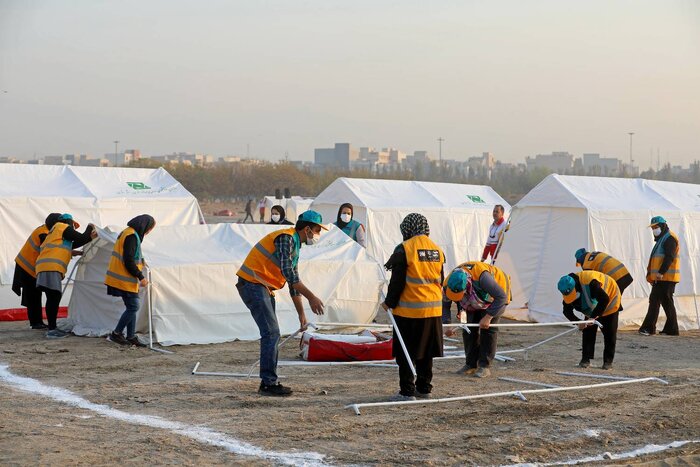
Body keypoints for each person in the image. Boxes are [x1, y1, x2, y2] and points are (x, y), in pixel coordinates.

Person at [236, 210, 327, 396]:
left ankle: (269, 381)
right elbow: (290, 276)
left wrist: (301, 314)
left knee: (272, 333)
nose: (318, 235)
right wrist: (312, 297)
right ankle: (268, 383)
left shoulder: (294, 243)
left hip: (261, 286)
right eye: (317, 230)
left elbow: (294, 282)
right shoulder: (286, 238)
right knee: (271, 333)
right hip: (254, 284)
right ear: (308, 229)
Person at [381, 213, 444, 401]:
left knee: (406, 351)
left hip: (409, 311)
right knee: (426, 351)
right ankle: (424, 388)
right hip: (433, 310)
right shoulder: (437, 250)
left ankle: (407, 391)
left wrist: (388, 303)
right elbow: (440, 279)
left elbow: (397, 281)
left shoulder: (404, 249)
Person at [444, 261, 511, 378]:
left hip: (495, 297)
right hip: (472, 299)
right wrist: (447, 325)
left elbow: (501, 297)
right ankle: (470, 364)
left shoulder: (482, 278)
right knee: (468, 328)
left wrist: (488, 317)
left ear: (466, 286)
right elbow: (445, 305)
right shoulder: (448, 283)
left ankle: (484, 366)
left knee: (488, 329)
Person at [35, 213, 96, 338]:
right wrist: (90, 227)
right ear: (69, 222)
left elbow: (71, 244)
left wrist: (85, 242)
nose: (73, 228)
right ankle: (52, 330)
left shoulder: (54, 232)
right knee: (54, 297)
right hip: (51, 267)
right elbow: (81, 238)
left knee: (52, 296)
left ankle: (52, 327)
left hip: (43, 267)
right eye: (73, 225)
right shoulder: (62, 227)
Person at [105, 215, 156, 347]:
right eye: (149, 229)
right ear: (144, 226)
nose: (149, 232)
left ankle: (131, 336)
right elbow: (128, 260)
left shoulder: (128, 233)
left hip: (124, 278)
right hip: (123, 278)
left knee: (131, 307)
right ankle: (116, 334)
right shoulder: (131, 236)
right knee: (133, 307)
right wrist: (141, 276)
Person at [558, 270, 621, 369]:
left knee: (610, 332)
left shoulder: (591, 283)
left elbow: (605, 299)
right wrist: (579, 322)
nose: (571, 298)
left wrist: (593, 317)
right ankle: (585, 359)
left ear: (575, 287)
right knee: (588, 331)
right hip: (593, 304)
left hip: (611, 298)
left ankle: (608, 362)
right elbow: (567, 311)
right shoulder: (567, 288)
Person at [12, 213, 62, 329]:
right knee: (33, 295)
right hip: (26, 267)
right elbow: (51, 247)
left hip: (26, 265)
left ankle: (37, 322)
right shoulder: (44, 233)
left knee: (34, 294)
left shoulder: (45, 229)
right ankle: (35, 322)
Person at [639, 216, 680, 336]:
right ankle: (672, 329)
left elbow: (670, 257)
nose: (654, 230)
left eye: (656, 227)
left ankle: (648, 328)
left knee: (655, 301)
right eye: (652, 228)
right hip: (661, 278)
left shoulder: (669, 238)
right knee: (666, 302)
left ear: (663, 226)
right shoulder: (662, 239)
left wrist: (661, 272)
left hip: (666, 277)